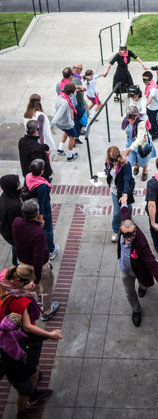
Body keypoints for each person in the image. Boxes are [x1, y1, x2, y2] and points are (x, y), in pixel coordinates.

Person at [0, 264, 63, 418]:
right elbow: (27, 327)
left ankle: (33, 386)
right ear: (21, 283)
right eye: (30, 283)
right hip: (19, 345)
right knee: (29, 378)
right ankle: (25, 408)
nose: (33, 285)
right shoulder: (20, 302)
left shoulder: (3, 280)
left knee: (34, 370)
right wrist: (50, 335)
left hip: (12, 338)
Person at [117, 205, 158, 327]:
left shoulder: (141, 242)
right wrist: (124, 202)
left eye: (132, 234)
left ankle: (143, 288)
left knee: (145, 284)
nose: (129, 238)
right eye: (126, 235)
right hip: (125, 269)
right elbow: (125, 213)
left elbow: (152, 264)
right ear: (121, 231)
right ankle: (136, 310)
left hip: (139, 270)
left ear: (135, 229)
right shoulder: (124, 226)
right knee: (129, 292)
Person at [12, 199, 59, 321]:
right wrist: (37, 279)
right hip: (39, 266)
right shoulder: (38, 233)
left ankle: (37, 298)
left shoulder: (16, 222)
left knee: (31, 285)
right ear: (37, 213)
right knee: (46, 288)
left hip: (23, 262)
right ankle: (47, 311)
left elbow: (25, 234)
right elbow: (38, 258)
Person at [23, 159, 60, 261]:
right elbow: (42, 205)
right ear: (41, 171)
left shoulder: (27, 176)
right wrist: (41, 219)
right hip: (42, 210)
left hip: (32, 206)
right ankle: (51, 250)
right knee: (47, 230)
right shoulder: (42, 186)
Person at [105, 146, 135, 242]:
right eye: (111, 160)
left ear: (118, 156)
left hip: (124, 190)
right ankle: (116, 230)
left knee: (128, 206)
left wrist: (125, 194)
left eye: (115, 160)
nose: (113, 162)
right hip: (115, 190)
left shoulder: (125, 164)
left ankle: (128, 221)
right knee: (117, 212)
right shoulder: (109, 163)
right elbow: (110, 173)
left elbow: (127, 179)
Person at [123, 105, 156, 183]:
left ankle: (145, 171)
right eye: (129, 118)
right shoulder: (127, 118)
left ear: (137, 116)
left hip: (141, 145)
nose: (130, 121)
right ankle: (137, 166)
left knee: (143, 160)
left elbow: (140, 139)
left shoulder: (141, 123)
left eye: (133, 119)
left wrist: (130, 148)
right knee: (132, 159)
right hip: (130, 142)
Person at [51, 82, 78, 162]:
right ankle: (70, 155)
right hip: (66, 123)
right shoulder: (65, 102)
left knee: (66, 132)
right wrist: (52, 124)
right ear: (71, 93)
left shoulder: (60, 96)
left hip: (61, 123)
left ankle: (60, 148)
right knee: (72, 136)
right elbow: (58, 113)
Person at [0, 174, 21, 266]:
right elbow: (17, 225)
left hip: (7, 231)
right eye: (18, 183)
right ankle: (17, 264)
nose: (20, 184)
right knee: (18, 247)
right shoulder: (13, 207)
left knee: (15, 247)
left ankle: (15, 260)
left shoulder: (5, 195)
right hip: (13, 235)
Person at [142, 70, 158, 138]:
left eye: (146, 80)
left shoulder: (153, 89)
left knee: (153, 123)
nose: (145, 82)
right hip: (149, 107)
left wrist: (142, 106)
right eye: (143, 80)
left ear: (151, 79)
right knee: (150, 122)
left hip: (154, 109)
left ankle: (157, 133)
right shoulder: (150, 85)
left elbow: (149, 101)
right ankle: (155, 130)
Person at [70, 61, 88, 142]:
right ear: (78, 69)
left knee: (85, 114)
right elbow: (73, 88)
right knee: (81, 117)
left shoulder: (76, 77)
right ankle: (78, 132)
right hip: (77, 102)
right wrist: (80, 89)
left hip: (80, 101)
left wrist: (85, 77)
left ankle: (79, 131)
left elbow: (80, 77)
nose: (81, 71)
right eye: (81, 69)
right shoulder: (74, 79)